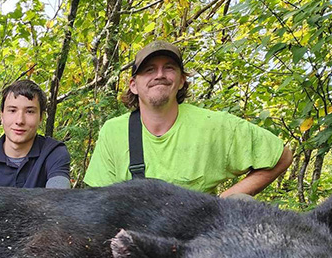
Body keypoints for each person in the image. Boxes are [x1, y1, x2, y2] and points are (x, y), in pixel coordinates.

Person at [84, 41, 292, 197]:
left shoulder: (214, 125)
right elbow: (98, 199)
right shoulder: (113, 132)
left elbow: (282, 156)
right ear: (133, 85)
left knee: (242, 203)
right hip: (134, 234)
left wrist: (224, 203)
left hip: (197, 235)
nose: (159, 75)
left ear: (182, 80)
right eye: (149, 70)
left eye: (169, 68)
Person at [0, 80, 71, 188]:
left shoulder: (53, 152)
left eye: (29, 111)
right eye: (12, 110)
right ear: (2, 116)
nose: (19, 121)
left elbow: (58, 194)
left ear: (41, 117)